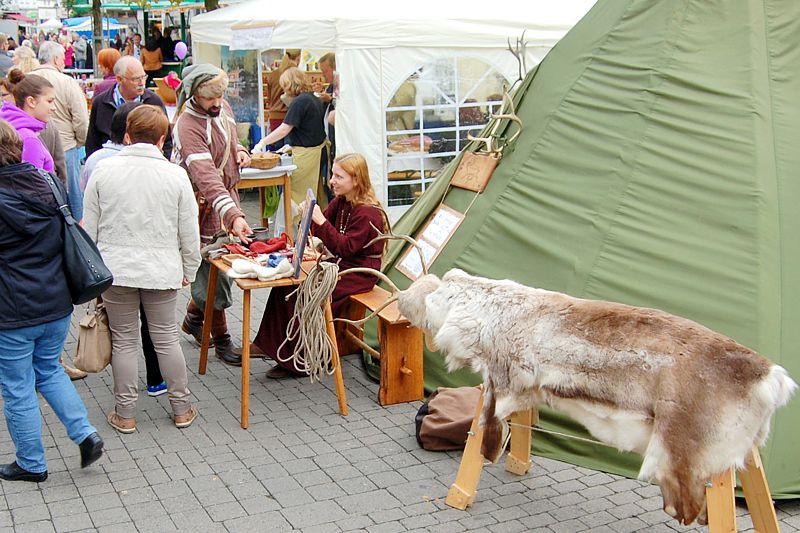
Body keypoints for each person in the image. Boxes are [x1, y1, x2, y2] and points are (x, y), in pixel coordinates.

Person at [84, 105, 201, 433]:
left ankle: (125, 413)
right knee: (165, 338)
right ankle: (181, 407)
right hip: (162, 269)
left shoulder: (102, 172)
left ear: (126, 135)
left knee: (124, 340)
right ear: (162, 138)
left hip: (115, 269)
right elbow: (188, 231)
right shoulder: (176, 175)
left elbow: (88, 230)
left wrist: (93, 273)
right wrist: (189, 269)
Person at [0, 119, 103, 482]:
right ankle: (85, 433)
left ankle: (31, 462)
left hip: (12, 310)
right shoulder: (47, 182)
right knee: (49, 370)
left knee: (17, 386)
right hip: (57, 302)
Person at [252, 153, 386, 378]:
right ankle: (271, 346)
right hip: (341, 265)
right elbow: (318, 230)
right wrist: (308, 216)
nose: (332, 180)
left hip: (360, 273)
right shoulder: (342, 201)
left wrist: (320, 221)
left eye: (338, 176)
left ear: (356, 180)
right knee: (285, 286)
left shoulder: (368, 212)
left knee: (305, 293)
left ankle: (301, 361)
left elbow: (345, 247)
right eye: (333, 174)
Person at [172, 64, 252, 366]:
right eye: (210, 99)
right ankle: (221, 340)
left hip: (222, 199)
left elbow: (229, 136)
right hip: (199, 204)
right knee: (211, 273)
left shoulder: (222, 106)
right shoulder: (187, 125)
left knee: (222, 269)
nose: (217, 103)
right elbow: (206, 176)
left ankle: (194, 318)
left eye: (220, 96)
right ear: (194, 95)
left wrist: (239, 151)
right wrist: (233, 215)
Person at [30, 41, 89, 221]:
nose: (64, 62)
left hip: (32, 145)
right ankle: (77, 237)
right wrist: (79, 142)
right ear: (56, 59)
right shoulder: (67, 82)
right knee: (72, 196)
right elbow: (81, 119)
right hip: (65, 147)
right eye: (63, 59)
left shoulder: (27, 80)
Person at [255, 67, 327, 209]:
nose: (283, 90)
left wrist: (263, 142)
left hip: (305, 155)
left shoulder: (299, 102)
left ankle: (294, 226)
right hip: (316, 151)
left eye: (284, 86)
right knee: (313, 194)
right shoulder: (313, 98)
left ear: (290, 84)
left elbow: (284, 129)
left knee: (297, 197)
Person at [85, 56, 171, 159]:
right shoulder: (101, 102)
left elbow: (167, 140)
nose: (142, 83)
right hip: (110, 167)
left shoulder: (154, 101)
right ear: (119, 79)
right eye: (136, 79)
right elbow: (92, 142)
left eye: (144, 77)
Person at [0, 70, 56, 174]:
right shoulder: (28, 138)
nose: (54, 108)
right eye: (49, 101)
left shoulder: (8, 128)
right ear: (31, 101)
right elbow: (31, 184)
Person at [263, 49, 300, 148]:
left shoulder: (273, 74)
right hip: (290, 116)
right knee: (289, 153)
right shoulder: (295, 74)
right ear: (298, 58)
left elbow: (269, 97)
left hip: (274, 115)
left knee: (276, 152)